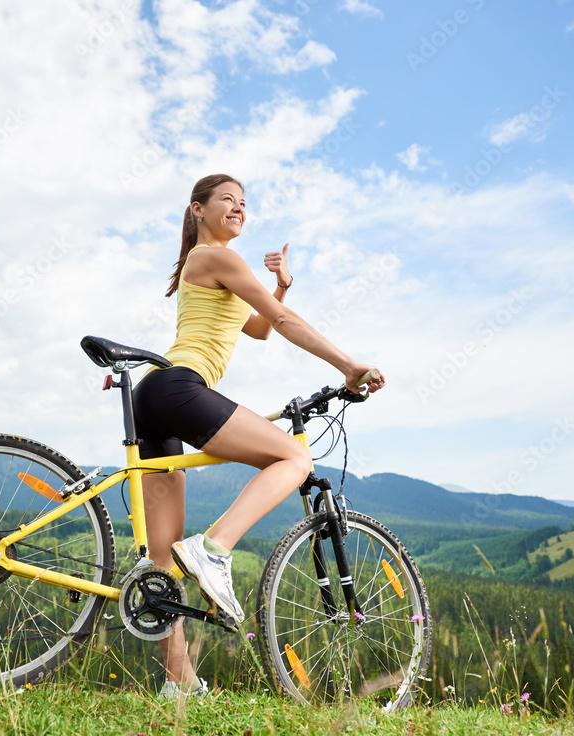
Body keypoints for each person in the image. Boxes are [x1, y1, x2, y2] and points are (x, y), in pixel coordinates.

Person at [132, 173, 385, 696]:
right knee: (294, 458)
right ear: (197, 210)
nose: (238, 208)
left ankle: (180, 685)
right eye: (227, 199)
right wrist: (349, 365)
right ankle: (216, 548)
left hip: (153, 399)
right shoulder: (217, 258)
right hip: (179, 388)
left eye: (244, 203)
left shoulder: (206, 267)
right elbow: (284, 322)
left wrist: (282, 283)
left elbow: (261, 325)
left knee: (162, 564)